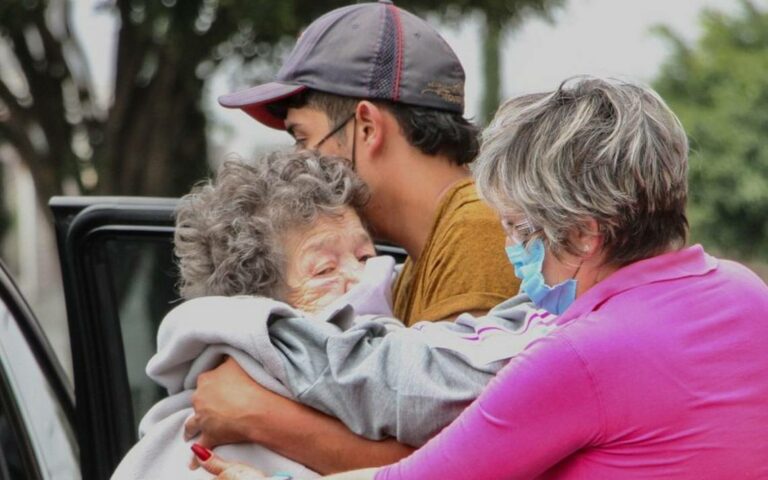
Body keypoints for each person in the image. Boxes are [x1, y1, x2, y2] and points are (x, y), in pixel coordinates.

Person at [198, 78, 768, 479]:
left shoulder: (582, 355)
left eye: (521, 229)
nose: (511, 250)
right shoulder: (745, 294)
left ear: (588, 234)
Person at [188, 0, 521, 472]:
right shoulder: (416, 257)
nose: (302, 165)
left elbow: (459, 464)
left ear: (366, 127)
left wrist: (257, 416)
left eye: (303, 138)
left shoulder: (479, 232)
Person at [112, 151, 551, 480]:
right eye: (323, 269)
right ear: (257, 302)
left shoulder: (410, 363)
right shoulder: (216, 409)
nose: (364, 277)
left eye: (365, 254)